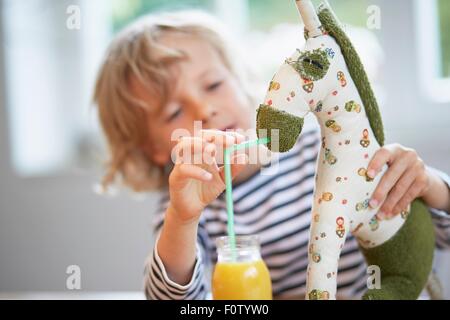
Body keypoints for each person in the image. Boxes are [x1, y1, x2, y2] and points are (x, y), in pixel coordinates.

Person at [93, 10, 450, 299]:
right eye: (173, 113)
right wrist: (182, 219)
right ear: (155, 149)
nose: (204, 108)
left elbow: (439, 238)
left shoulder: (321, 150)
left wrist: (430, 186)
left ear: (243, 82)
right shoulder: (188, 212)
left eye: (214, 85)